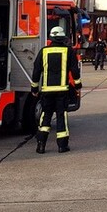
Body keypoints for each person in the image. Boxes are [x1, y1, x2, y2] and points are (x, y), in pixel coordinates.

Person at [30, 26, 82, 154]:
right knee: (61, 116)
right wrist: (78, 85)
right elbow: (75, 70)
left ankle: (41, 146)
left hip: (47, 91)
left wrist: (34, 88)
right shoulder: (68, 51)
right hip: (62, 91)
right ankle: (62, 146)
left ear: (51, 38)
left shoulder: (44, 51)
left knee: (45, 117)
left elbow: (36, 71)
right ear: (63, 38)